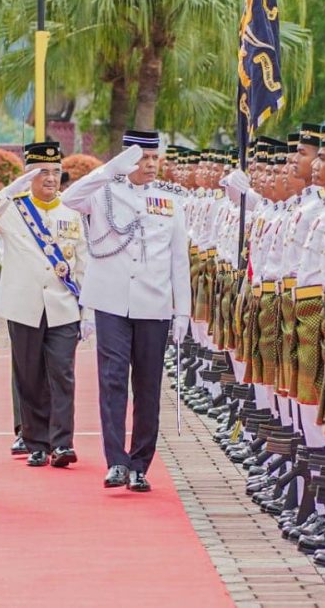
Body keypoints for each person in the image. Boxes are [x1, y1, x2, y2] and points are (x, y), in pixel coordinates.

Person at [62, 130, 190, 492]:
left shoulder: (169, 202)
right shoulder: (103, 192)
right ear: (126, 160)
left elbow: (179, 261)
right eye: (142, 159)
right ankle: (116, 461)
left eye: (154, 159)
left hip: (154, 303)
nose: (150, 165)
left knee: (148, 386)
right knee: (113, 380)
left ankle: (140, 464)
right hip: (111, 301)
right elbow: (69, 198)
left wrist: (183, 312)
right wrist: (107, 170)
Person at [0, 141, 90, 468]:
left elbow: (83, 261)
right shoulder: (12, 209)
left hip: (62, 305)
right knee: (28, 376)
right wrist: (7, 192)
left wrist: (87, 307)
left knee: (62, 373)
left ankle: (62, 443)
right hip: (23, 306)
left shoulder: (71, 211)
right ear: (28, 175)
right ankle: (36, 442)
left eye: (56, 172)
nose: (50, 178)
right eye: (42, 171)